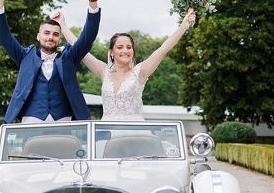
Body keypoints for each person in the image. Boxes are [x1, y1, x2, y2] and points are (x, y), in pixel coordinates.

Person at [0, 0, 101, 123]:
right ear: (38, 36)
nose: (51, 37)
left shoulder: (69, 57)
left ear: (59, 38)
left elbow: (88, 36)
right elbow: (4, 36)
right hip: (31, 118)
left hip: (63, 119)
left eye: (55, 34)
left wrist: (93, 0)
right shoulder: (25, 56)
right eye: (47, 33)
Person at [53, 9, 195, 120]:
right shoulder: (104, 71)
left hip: (134, 130)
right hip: (107, 131)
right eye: (120, 47)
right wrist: (63, 25)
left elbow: (163, 48)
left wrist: (184, 25)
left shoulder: (141, 72)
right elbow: (80, 49)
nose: (125, 51)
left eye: (129, 47)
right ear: (112, 52)